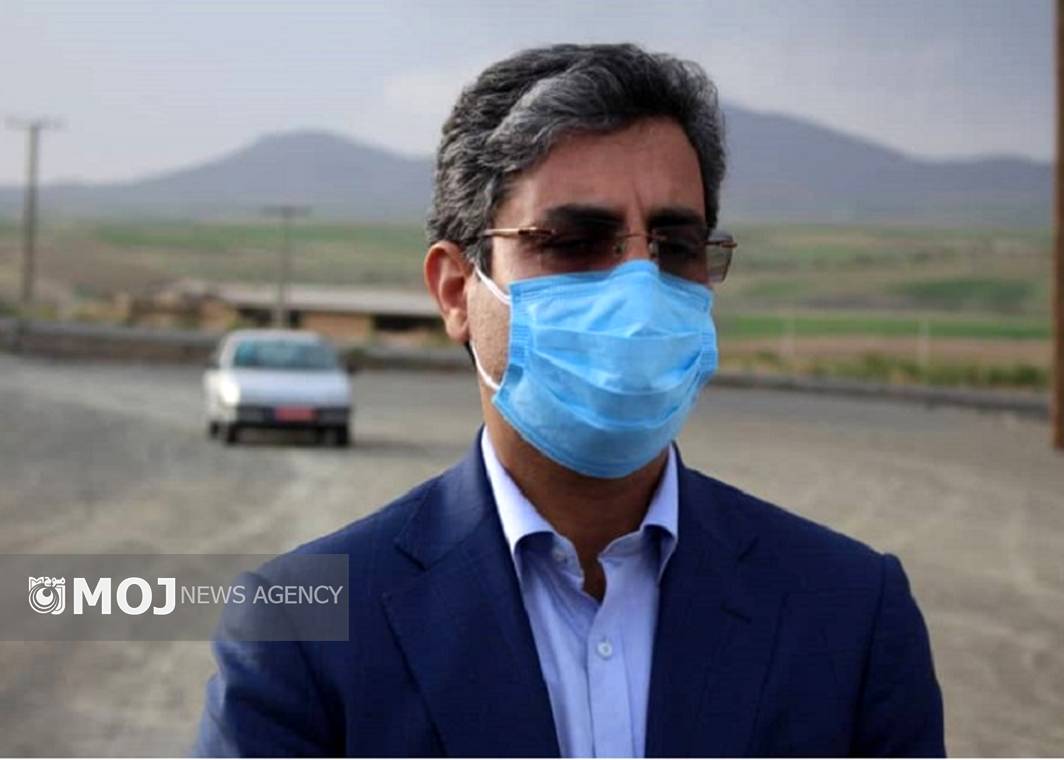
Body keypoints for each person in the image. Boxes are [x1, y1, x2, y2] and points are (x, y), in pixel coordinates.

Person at [194, 42, 944, 757]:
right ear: (456, 291)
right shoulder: (302, 628)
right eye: (575, 241)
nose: (639, 290)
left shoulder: (850, 612)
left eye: (676, 246)